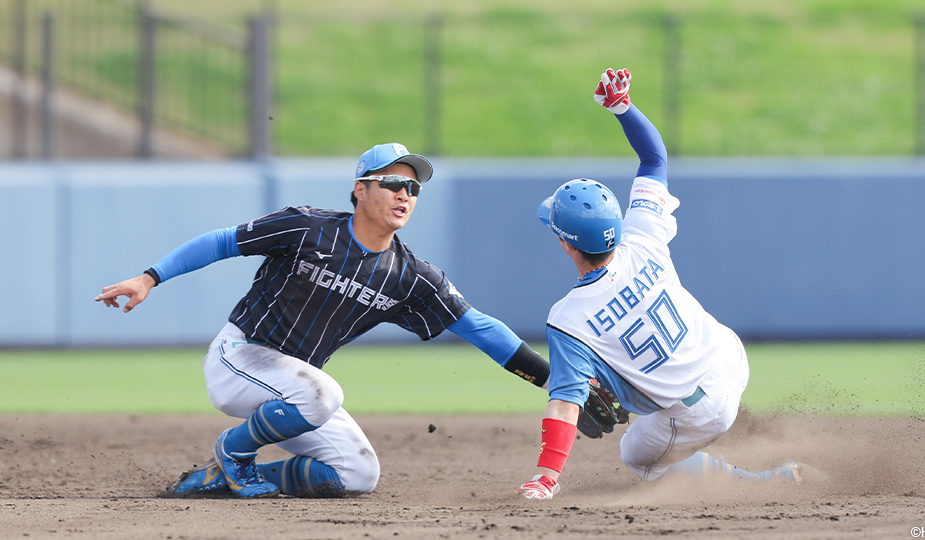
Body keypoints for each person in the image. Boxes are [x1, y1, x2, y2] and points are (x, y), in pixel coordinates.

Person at [96, 142, 550, 498]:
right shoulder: (307, 228)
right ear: (360, 189)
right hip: (239, 356)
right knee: (324, 393)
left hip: (294, 389)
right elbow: (222, 242)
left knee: (357, 474)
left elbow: (479, 328)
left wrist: (554, 382)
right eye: (393, 182)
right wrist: (149, 278)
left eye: (413, 188)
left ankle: (223, 477)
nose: (404, 194)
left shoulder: (410, 276)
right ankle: (233, 452)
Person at [516, 69, 803, 500]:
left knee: (637, 456)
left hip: (701, 410)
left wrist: (546, 476)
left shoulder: (569, 319)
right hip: (729, 356)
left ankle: (764, 482)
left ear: (566, 244)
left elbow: (565, 403)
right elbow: (654, 158)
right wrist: (622, 107)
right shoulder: (641, 235)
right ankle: (732, 429)